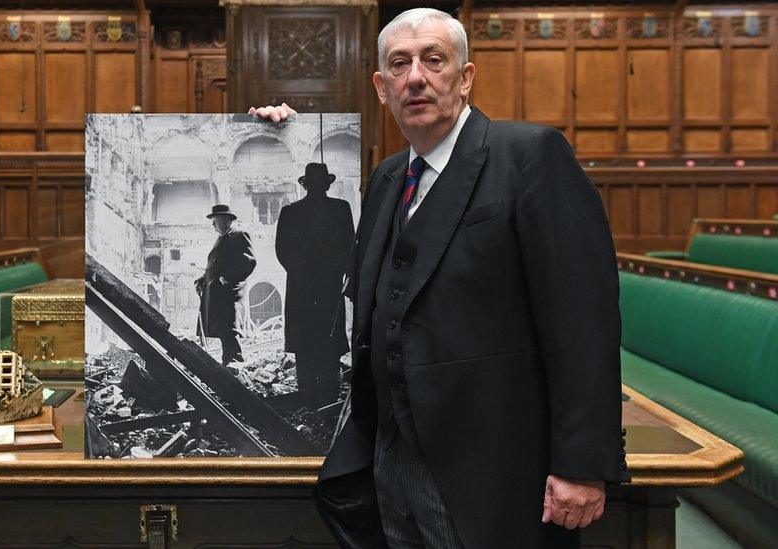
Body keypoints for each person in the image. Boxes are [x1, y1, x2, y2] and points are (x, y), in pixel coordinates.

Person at [251, 8, 628, 548]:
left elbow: (583, 319)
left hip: (489, 467)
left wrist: (582, 463)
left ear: (465, 76)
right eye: (399, 65)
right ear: (382, 88)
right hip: (390, 461)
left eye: (434, 60)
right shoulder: (386, 178)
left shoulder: (528, 157)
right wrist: (259, 129)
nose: (416, 77)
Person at [275, 162, 354, 407]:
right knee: (326, 339)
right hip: (328, 286)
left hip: (301, 288)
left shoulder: (290, 211)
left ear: (305, 184)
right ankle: (327, 396)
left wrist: (300, 272)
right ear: (326, 184)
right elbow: (351, 246)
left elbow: (282, 250)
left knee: (305, 340)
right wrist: (339, 273)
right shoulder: (341, 209)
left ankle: (309, 396)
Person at [195, 204, 257, 366]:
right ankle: (229, 366)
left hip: (228, 294)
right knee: (224, 331)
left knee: (228, 331)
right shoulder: (222, 238)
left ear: (226, 220)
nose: (213, 225)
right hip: (219, 294)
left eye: (215, 221)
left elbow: (248, 261)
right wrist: (204, 278)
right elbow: (216, 266)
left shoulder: (238, 235)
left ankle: (234, 367)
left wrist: (226, 278)